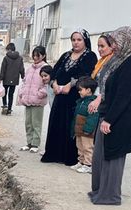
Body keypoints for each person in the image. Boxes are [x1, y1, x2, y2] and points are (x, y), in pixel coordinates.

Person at [89, 27, 131, 205]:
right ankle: (100, 191)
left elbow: (124, 95)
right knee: (101, 155)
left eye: (115, 42)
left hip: (121, 118)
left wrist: (109, 119)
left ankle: (110, 195)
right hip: (110, 113)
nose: (113, 46)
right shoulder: (122, 60)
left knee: (113, 157)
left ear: (127, 41)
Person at [41, 30, 97, 166]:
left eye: (79, 40)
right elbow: (54, 71)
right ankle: (54, 153)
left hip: (76, 97)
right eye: (73, 40)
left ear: (85, 41)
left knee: (71, 125)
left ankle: (72, 157)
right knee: (56, 123)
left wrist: (70, 85)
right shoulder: (66, 55)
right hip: (60, 96)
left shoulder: (89, 56)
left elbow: (88, 75)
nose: (76, 42)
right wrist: (53, 83)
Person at [16, 46, 48, 152]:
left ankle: (35, 144)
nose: (35, 57)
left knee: (36, 123)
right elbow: (25, 82)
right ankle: (29, 142)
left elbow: (47, 84)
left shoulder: (45, 68)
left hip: (38, 101)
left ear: (43, 56)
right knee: (28, 123)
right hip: (28, 100)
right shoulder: (30, 68)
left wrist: (40, 94)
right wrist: (22, 92)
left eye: (37, 55)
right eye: (34, 55)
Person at [71, 76, 100, 174]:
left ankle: (88, 164)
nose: (79, 92)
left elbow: (93, 117)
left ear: (88, 90)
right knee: (80, 146)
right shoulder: (81, 101)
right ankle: (81, 161)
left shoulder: (92, 103)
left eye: (80, 90)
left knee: (87, 147)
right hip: (79, 129)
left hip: (87, 130)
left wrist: (88, 129)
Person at [88, 34, 115, 114]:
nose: (99, 49)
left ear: (111, 47)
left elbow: (109, 84)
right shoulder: (101, 61)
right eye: (98, 46)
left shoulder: (113, 62)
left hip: (103, 101)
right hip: (95, 98)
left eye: (102, 46)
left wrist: (99, 98)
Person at [0, 42, 24, 115]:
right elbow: (21, 69)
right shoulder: (20, 58)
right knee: (11, 94)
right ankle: (9, 110)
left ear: (9, 49)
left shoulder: (6, 58)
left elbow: (3, 69)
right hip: (14, 79)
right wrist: (23, 77)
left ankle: (5, 105)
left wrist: (0, 78)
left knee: (4, 93)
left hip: (6, 79)